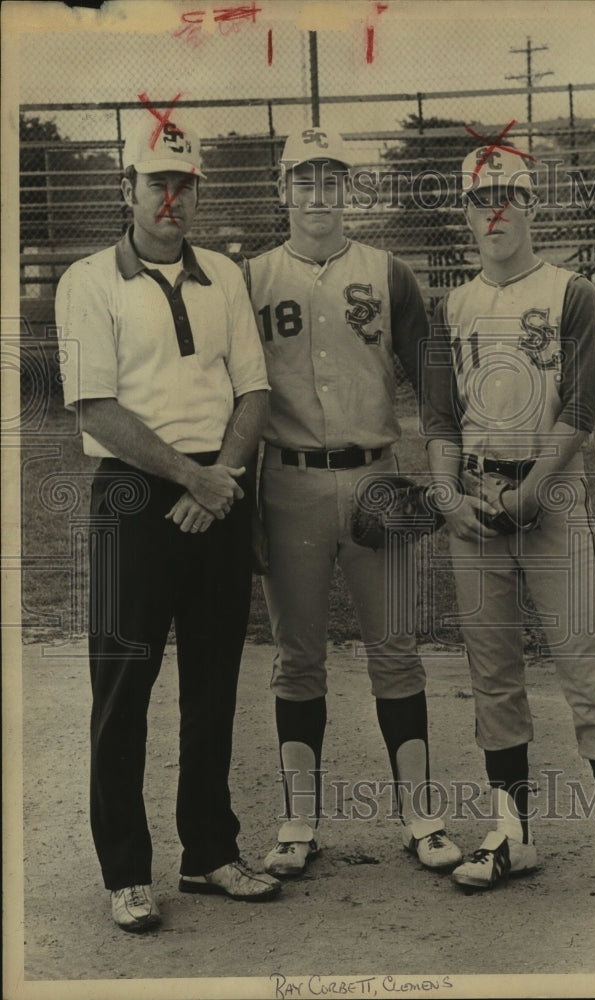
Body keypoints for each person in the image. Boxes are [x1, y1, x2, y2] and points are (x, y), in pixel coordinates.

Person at [55, 115, 278, 932]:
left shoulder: (225, 273)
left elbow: (253, 390)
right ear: (129, 189)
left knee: (214, 685)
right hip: (134, 498)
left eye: (186, 185)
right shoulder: (87, 280)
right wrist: (194, 478)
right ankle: (125, 871)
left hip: (220, 487)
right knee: (123, 690)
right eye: (158, 182)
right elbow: (96, 409)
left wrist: (221, 483)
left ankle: (211, 852)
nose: (172, 198)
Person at [421, 145, 595, 901]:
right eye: (480, 197)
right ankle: (512, 834)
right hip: (477, 501)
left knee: (584, 667)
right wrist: (447, 495)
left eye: (510, 196)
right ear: (464, 211)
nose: (495, 211)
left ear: (532, 207)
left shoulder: (570, 293)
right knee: (492, 674)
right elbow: (438, 417)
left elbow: (581, 410)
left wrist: (533, 492)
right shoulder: (450, 306)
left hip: (547, 498)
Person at [243, 128, 462, 877]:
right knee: (296, 659)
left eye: (332, 178)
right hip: (289, 481)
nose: (318, 192)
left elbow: (432, 373)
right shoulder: (253, 277)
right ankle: (298, 824)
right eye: (304, 178)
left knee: (396, 654)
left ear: (349, 190)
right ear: (283, 190)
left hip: (378, 478)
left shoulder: (388, 271)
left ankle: (422, 820)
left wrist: (439, 466)